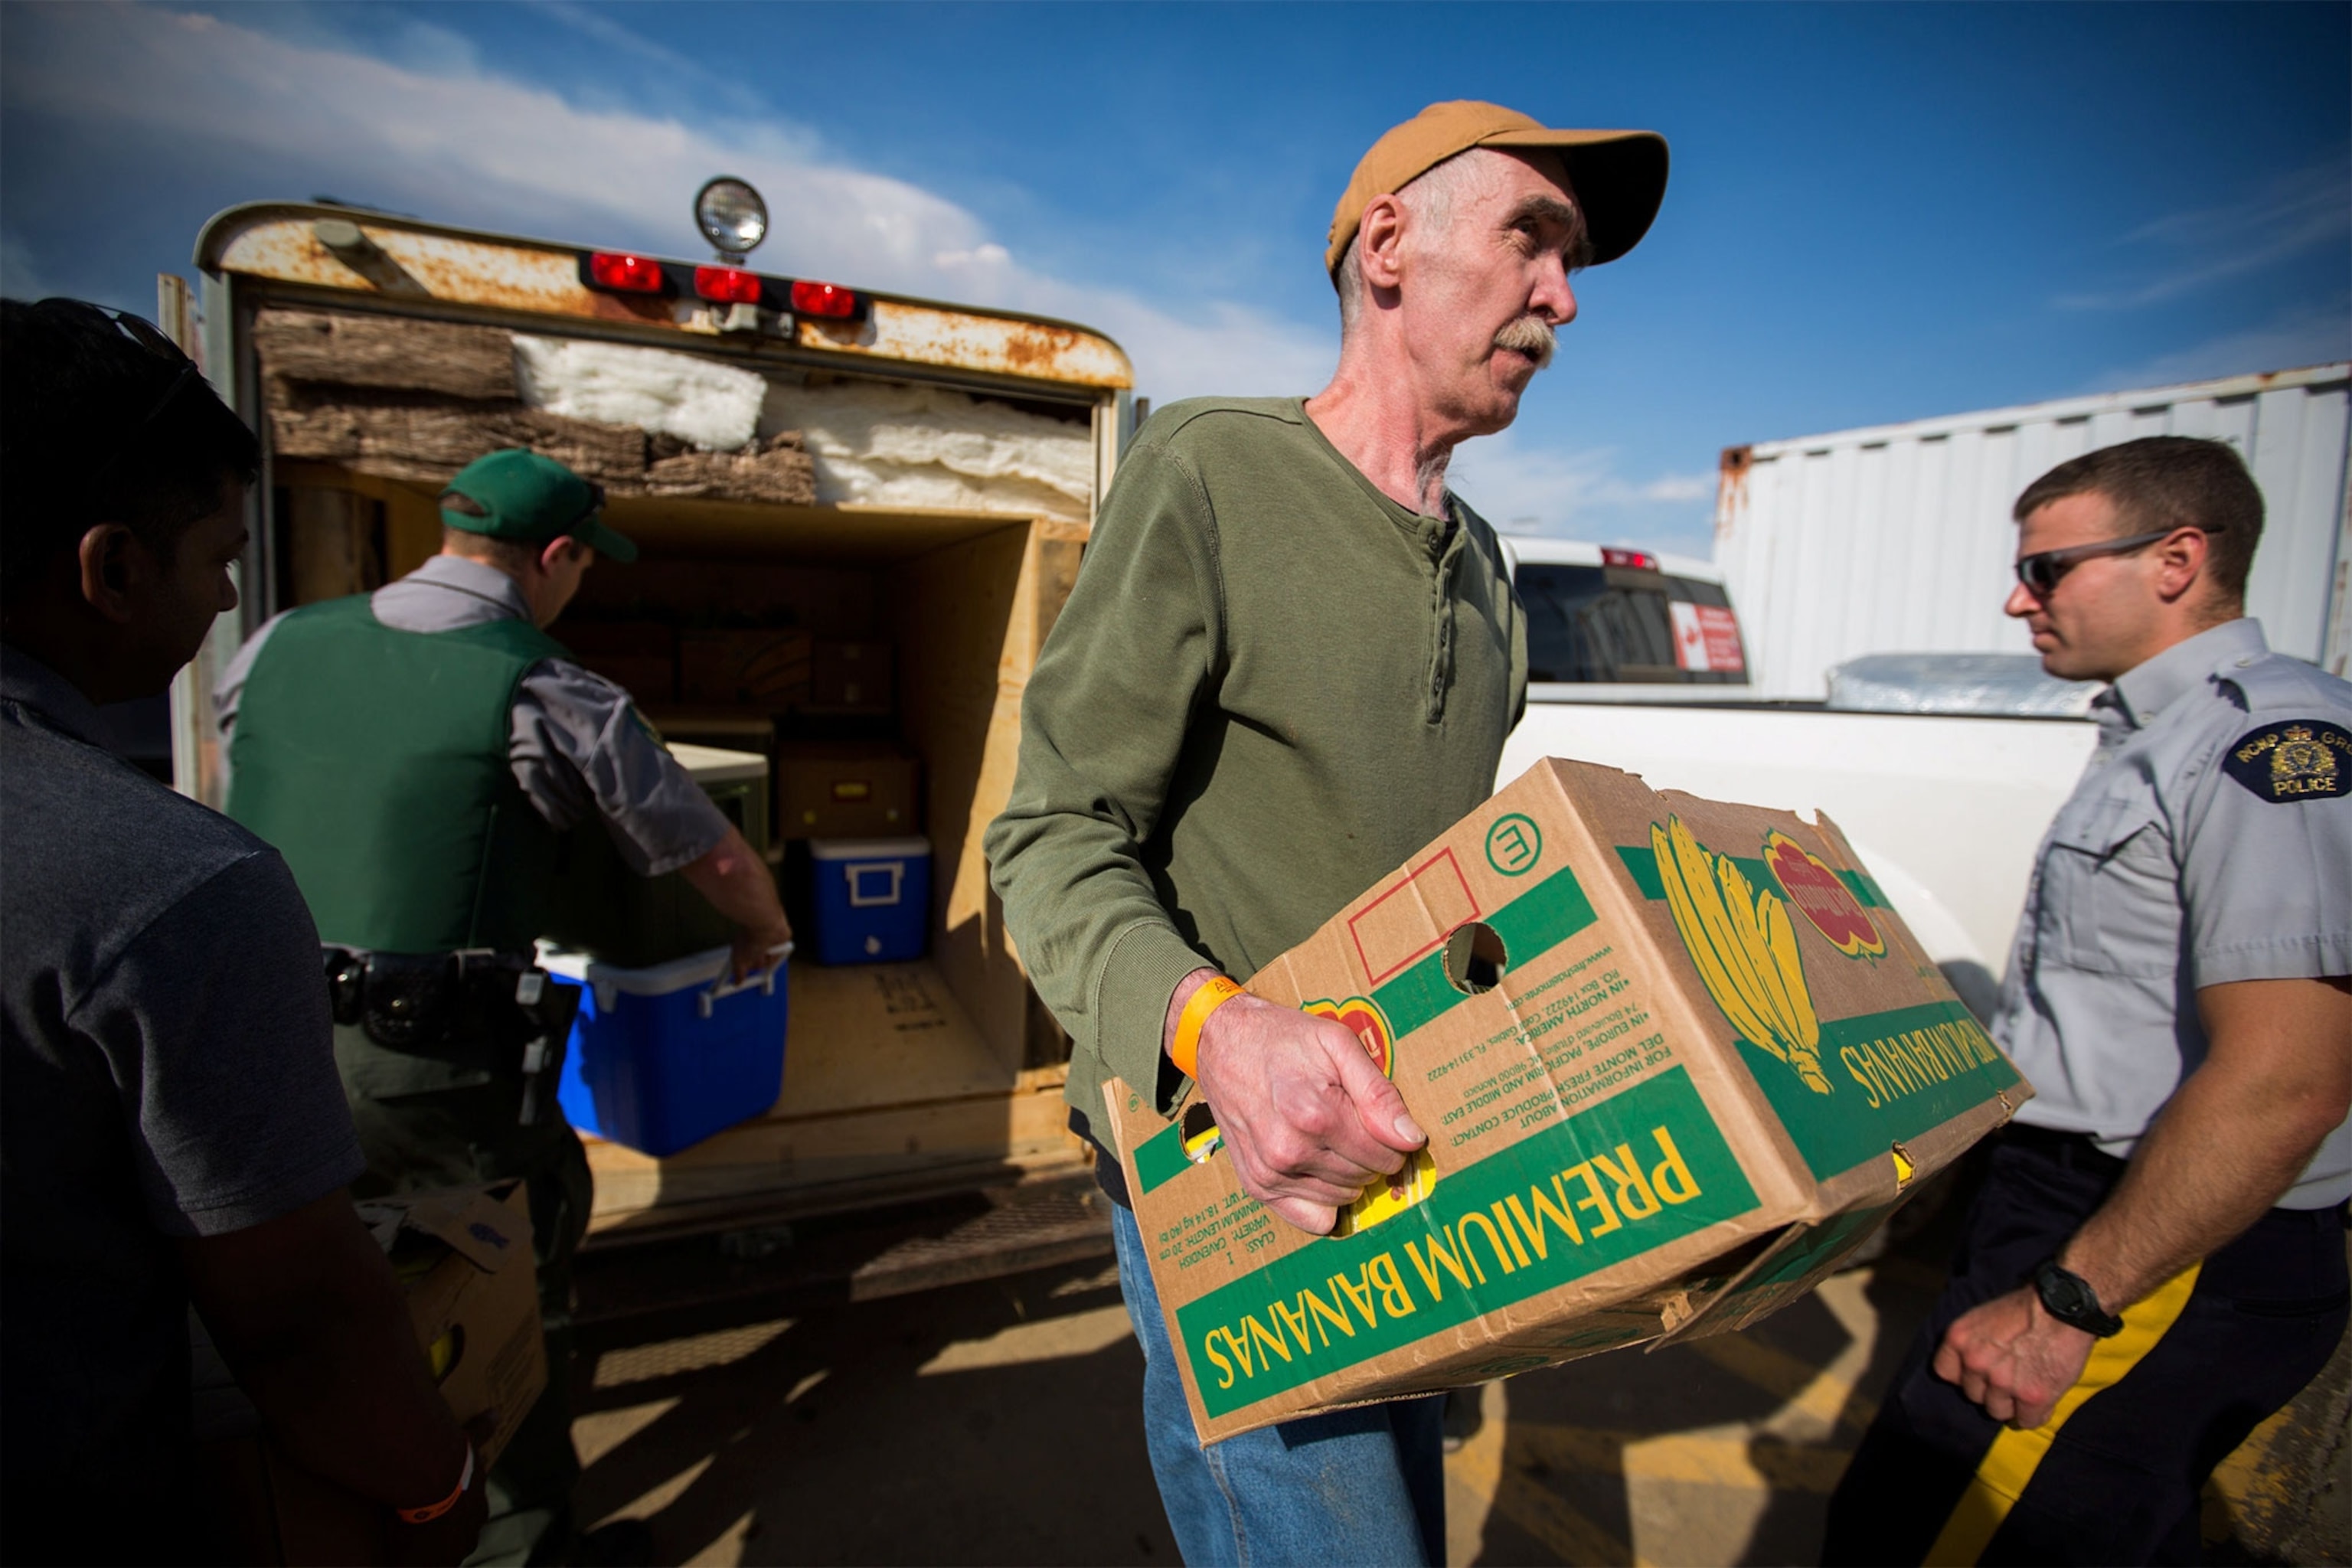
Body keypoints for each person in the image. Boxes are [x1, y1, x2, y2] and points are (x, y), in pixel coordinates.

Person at [985, 100, 1668, 1566]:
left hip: (1408, 1164)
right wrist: (1220, 1035)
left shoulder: (1485, 566)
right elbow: (1049, 837)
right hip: (1226, 1159)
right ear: (1387, 249)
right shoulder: (1215, 474)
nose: (1562, 295)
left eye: (1575, 265)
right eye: (1532, 240)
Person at [216, 447, 793, 1566]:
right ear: (558, 556)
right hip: (433, 1072)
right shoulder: (546, 687)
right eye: (583, 567)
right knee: (493, 1305)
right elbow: (709, 857)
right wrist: (766, 934)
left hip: (257, 1042)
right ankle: (514, 1546)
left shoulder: (277, 646)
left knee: (308, 1306)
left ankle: (337, 1524)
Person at [1, 298, 487, 1563]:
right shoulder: (165, 884)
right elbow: (303, 1324)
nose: (227, 593)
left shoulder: (273, 657)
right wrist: (438, 1493)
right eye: (219, 556)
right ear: (110, 571)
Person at [1823, 436, 2352, 1566]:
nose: (2019, 599)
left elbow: (2289, 1082)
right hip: (2079, 1219)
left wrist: (2066, 1304)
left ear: (2177, 560)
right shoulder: (2155, 736)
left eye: (2049, 569)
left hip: (2152, 1245)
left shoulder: (2266, 743)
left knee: (1927, 1536)